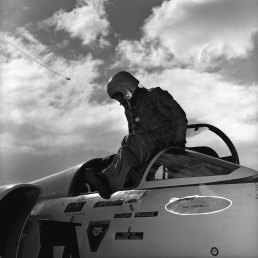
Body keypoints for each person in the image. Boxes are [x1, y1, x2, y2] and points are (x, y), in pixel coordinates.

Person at [84, 71, 188, 199]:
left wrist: (179, 142)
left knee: (132, 141)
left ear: (126, 88)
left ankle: (109, 184)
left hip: (167, 141)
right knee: (123, 147)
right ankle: (106, 179)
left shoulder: (154, 95)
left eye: (119, 96)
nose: (120, 101)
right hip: (147, 148)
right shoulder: (129, 111)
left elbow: (179, 117)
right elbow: (131, 136)